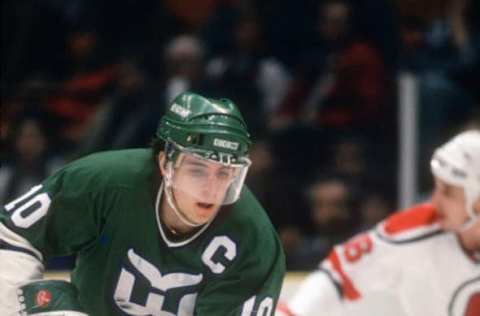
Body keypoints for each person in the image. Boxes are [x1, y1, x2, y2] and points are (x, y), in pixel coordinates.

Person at [0, 92, 286, 315]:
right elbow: (12, 235)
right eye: (198, 169)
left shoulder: (253, 240)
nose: (212, 188)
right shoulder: (103, 181)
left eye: (225, 173)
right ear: (166, 163)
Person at [276, 130, 480, 316]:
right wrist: (293, 312)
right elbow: (337, 273)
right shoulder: (415, 229)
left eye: (447, 192)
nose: (435, 201)